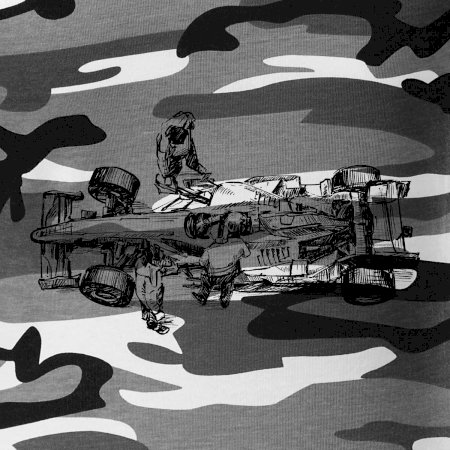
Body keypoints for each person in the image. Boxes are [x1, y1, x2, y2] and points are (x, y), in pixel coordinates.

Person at [192, 212, 251, 308]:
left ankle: (203, 295)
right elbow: (247, 254)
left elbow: (202, 262)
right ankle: (225, 297)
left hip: (212, 276)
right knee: (228, 282)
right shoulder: (239, 243)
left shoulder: (210, 248)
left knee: (204, 275)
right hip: (228, 275)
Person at [155, 111, 212, 193]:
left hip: (174, 169)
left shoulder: (187, 140)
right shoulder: (165, 138)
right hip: (168, 173)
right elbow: (162, 158)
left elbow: (192, 162)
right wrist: (167, 176)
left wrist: (204, 172)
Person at [135, 246, 176, 334]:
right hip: (149, 292)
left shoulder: (143, 265)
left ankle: (150, 317)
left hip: (146, 288)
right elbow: (152, 290)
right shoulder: (149, 269)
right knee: (152, 301)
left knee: (148, 299)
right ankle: (154, 322)